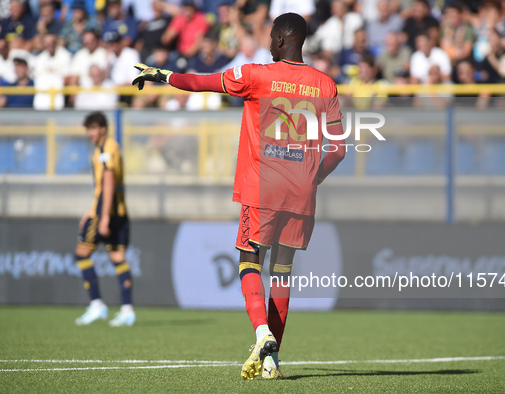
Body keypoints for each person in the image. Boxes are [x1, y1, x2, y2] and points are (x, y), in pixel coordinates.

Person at [131, 12, 345, 379]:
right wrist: (314, 178)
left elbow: (201, 83)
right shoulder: (325, 84)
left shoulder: (256, 75)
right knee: (282, 270)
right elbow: (338, 150)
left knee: (249, 259)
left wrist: (162, 75)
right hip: (301, 192)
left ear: (278, 40)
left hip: (262, 186)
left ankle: (261, 332)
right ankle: (272, 360)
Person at [74, 111, 135, 327]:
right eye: (88, 129)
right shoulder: (107, 148)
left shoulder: (106, 149)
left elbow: (108, 182)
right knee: (118, 257)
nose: (90, 133)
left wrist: (102, 217)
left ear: (103, 128)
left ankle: (97, 305)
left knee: (82, 254)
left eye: (93, 128)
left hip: (106, 212)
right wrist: (90, 210)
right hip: (117, 211)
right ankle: (127, 310)